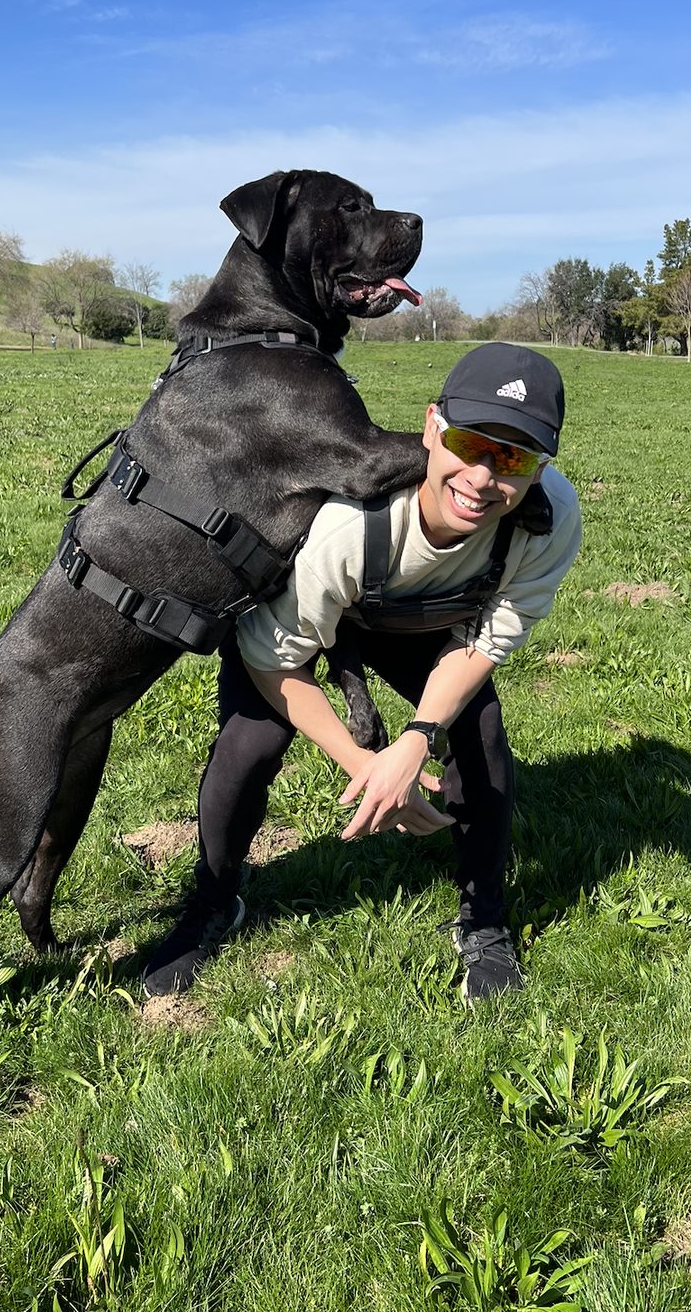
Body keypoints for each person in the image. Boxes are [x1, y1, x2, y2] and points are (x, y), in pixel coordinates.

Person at [143, 344, 582, 1004]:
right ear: (431, 426)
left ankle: (483, 922)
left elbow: (485, 639)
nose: (484, 476)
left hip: (415, 622)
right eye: (469, 441)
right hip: (295, 620)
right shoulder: (352, 523)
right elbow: (275, 659)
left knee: (480, 736)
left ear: (538, 467)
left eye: (514, 458)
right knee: (248, 746)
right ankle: (211, 903)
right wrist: (362, 765)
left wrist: (413, 741)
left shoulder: (548, 522)